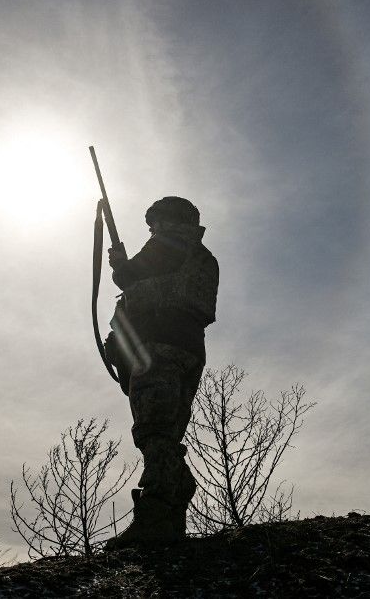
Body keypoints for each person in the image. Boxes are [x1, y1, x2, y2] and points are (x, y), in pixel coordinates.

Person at [103, 196, 219, 547]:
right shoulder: (202, 256)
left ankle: (154, 519)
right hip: (188, 350)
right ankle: (169, 516)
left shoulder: (169, 243)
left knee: (154, 432)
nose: (152, 229)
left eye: (155, 223)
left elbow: (129, 276)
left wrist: (121, 264)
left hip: (158, 348)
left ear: (169, 221)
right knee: (166, 433)